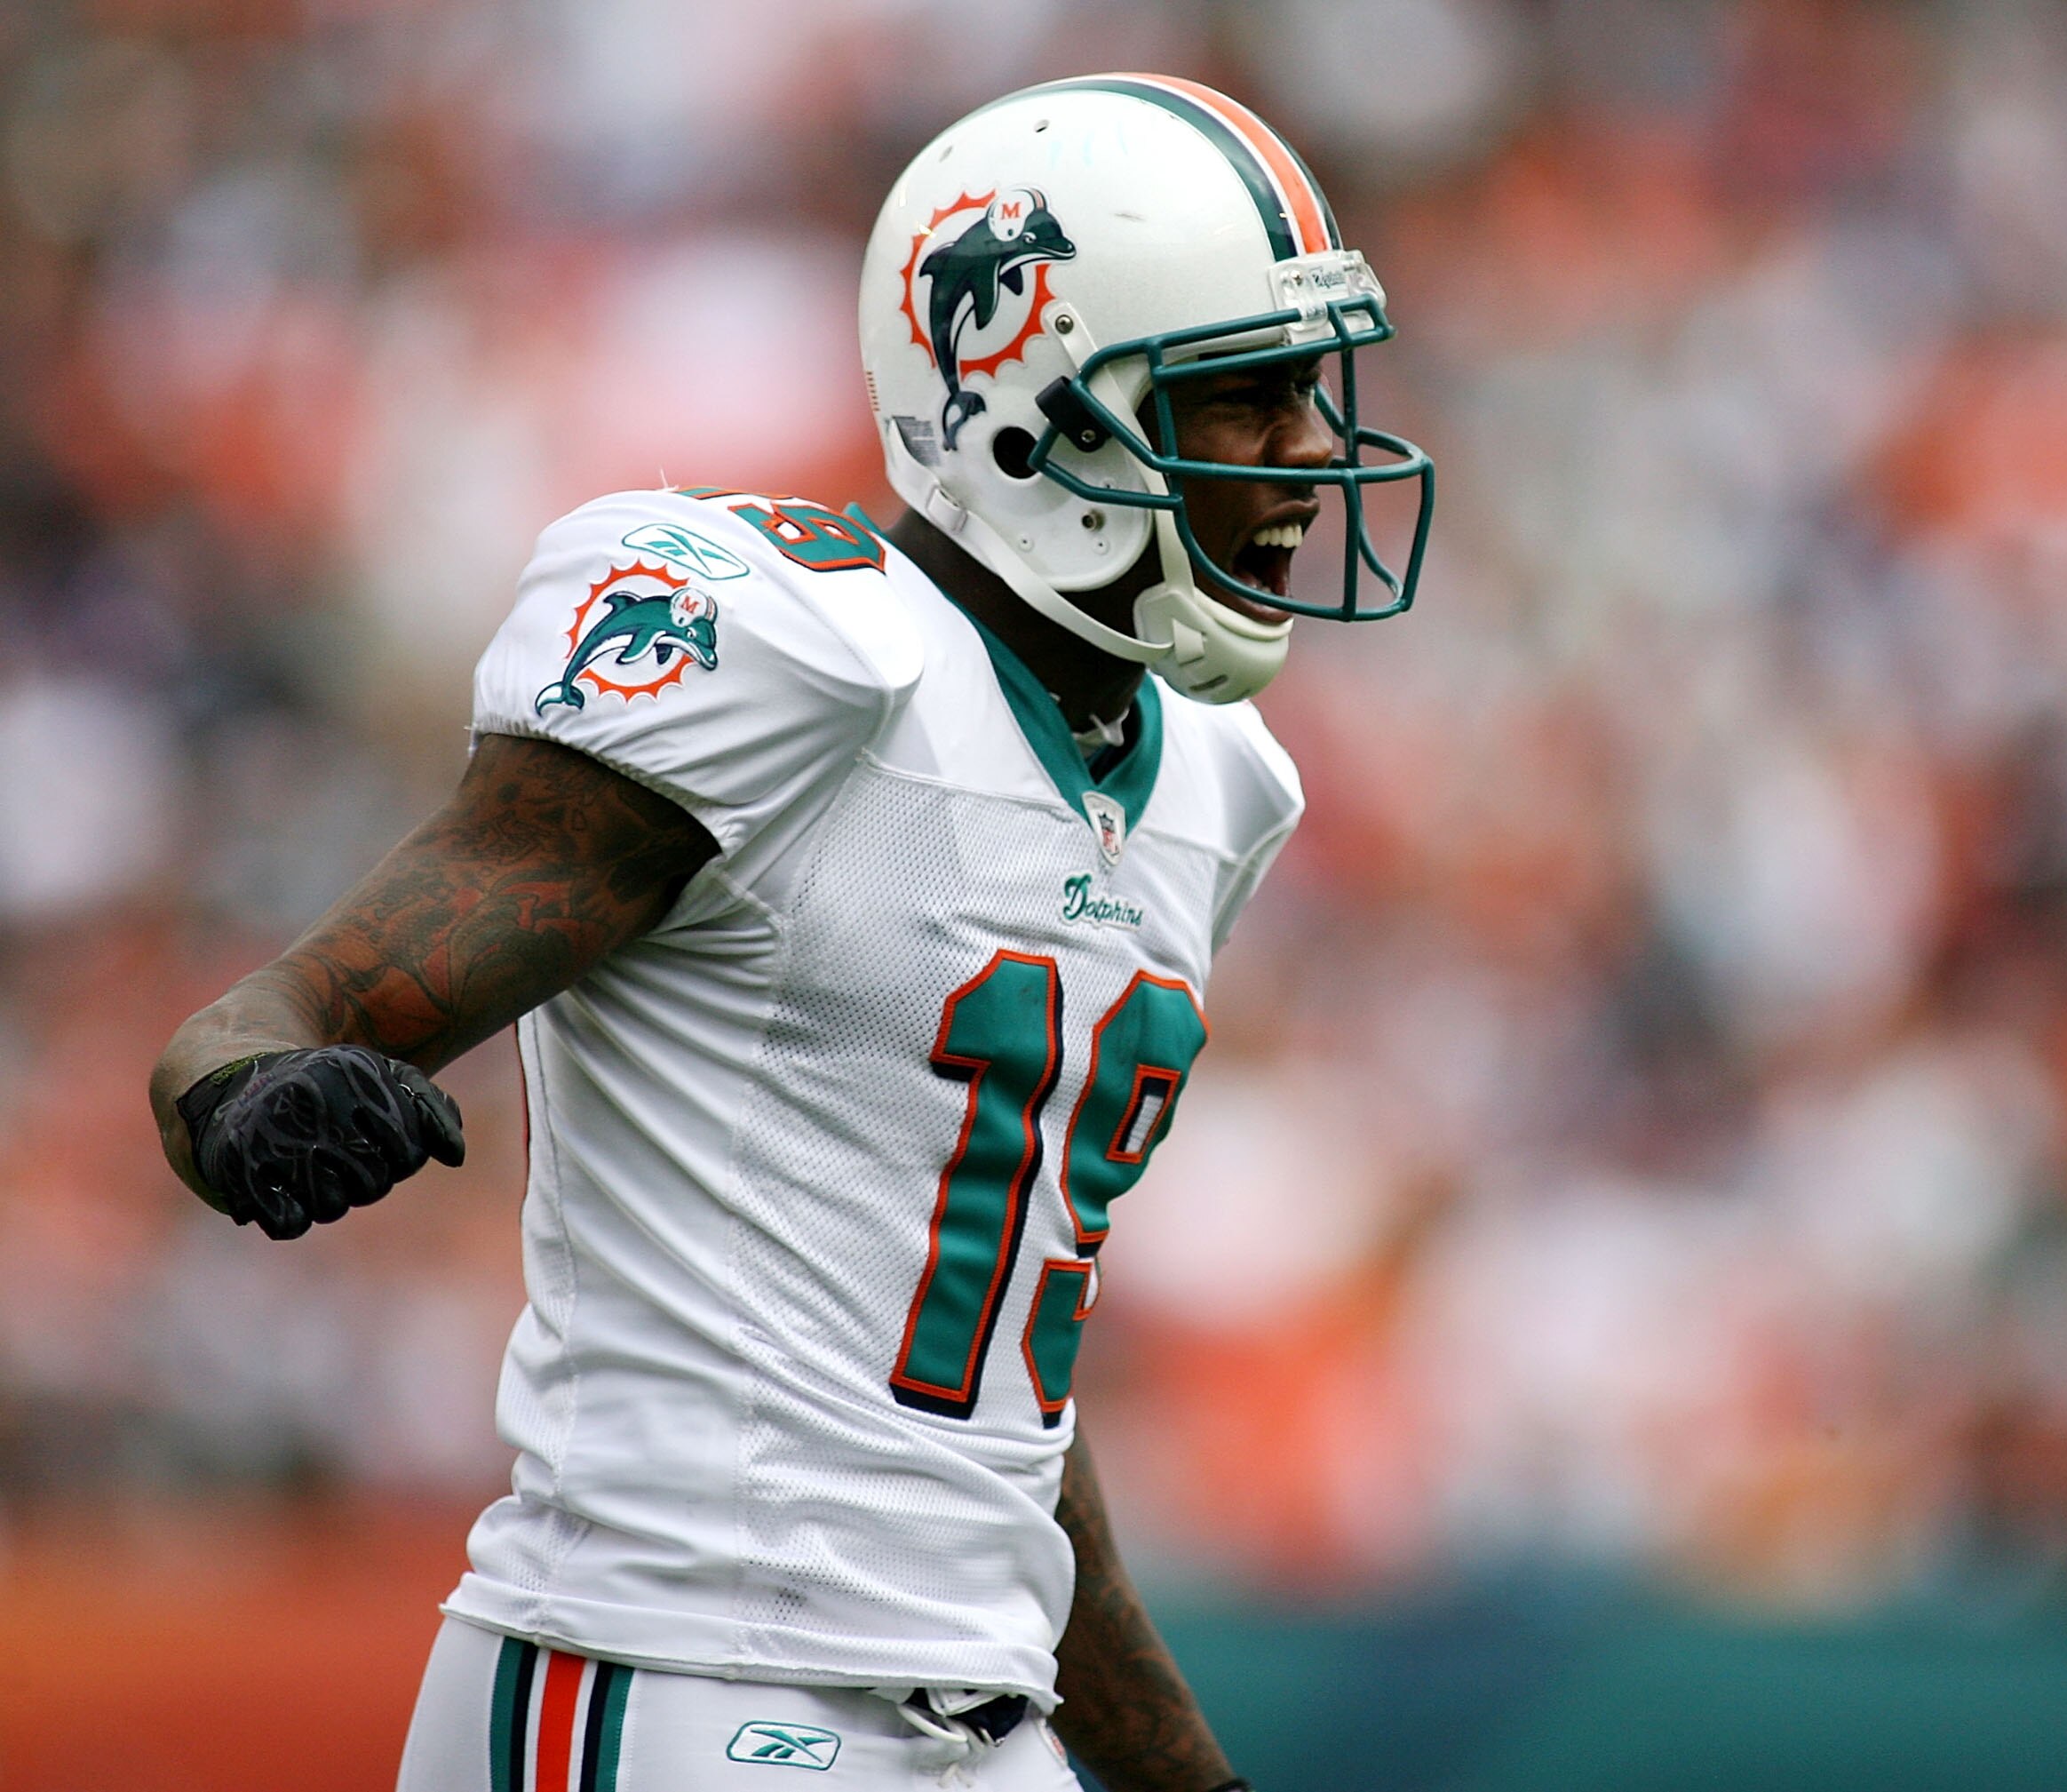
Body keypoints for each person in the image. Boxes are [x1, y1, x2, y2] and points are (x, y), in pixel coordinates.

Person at [147, 74, 1433, 1792]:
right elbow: (286, 1006)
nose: (1306, 455)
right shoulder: (797, 655)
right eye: (1241, 399)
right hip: (671, 1674)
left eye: (1308, 396)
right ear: (1030, 415)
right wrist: (248, 1097)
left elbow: (991, 1415)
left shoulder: (1209, 784)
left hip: (977, 1712)